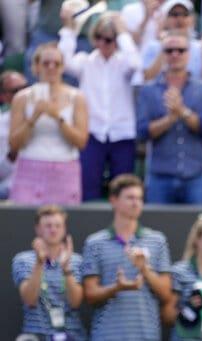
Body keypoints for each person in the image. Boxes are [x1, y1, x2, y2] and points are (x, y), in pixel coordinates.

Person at [58, 11, 141, 201]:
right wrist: (69, 29)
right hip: (93, 132)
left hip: (122, 133)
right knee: (88, 186)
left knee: (123, 189)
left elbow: (136, 63)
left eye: (109, 39)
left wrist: (122, 33)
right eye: (99, 37)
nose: (103, 43)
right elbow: (63, 60)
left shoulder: (124, 63)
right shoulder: (84, 61)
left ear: (116, 40)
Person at [81, 174, 173, 340]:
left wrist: (144, 269)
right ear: (113, 200)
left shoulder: (158, 240)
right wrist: (117, 288)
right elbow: (90, 295)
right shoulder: (94, 243)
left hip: (147, 335)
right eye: (130, 197)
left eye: (139, 198)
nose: (136, 203)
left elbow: (166, 294)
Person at [137, 31, 202, 204]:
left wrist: (182, 112)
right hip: (160, 174)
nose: (175, 54)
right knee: (158, 229)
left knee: (199, 228)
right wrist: (169, 119)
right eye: (169, 50)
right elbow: (142, 131)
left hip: (195, 173)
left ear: (189, 53)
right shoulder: (148, 90)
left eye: (180, 50)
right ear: (163, 54)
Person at [9, 43, 89, 205]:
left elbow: (81, 142)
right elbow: (14, 144)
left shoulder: (77, 97)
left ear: (62, 67)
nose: (51, 68)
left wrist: (57, 117)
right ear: (36, 67)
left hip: (65, 169)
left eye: (56, 63)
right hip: (30, 167)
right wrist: (33, 118)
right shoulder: (22, 98)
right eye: (46, 63)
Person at [12, 205, 86, 340]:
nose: (53, 230)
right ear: (38, 229)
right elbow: (29, 300)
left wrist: (66, 269)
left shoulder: (76, 261)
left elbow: (75, 302)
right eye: (48, 225)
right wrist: (39, 263)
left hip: (72, 335)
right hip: (35, 336)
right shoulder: (23, 260)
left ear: (64, 229)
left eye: (58, 225)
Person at [142, 0, 202, 89]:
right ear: (165, 19)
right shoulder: (154, 46)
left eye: (185, 14)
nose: (180, 19)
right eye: (174, 14)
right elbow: (147, 80)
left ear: (193, 19)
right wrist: (164, 47)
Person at [0, 71, 27, 199]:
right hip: (8, 188)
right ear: (4, 97)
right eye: (16, 90)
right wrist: (12, 154)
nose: (24, 94)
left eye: (26, 88)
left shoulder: (45, 120)